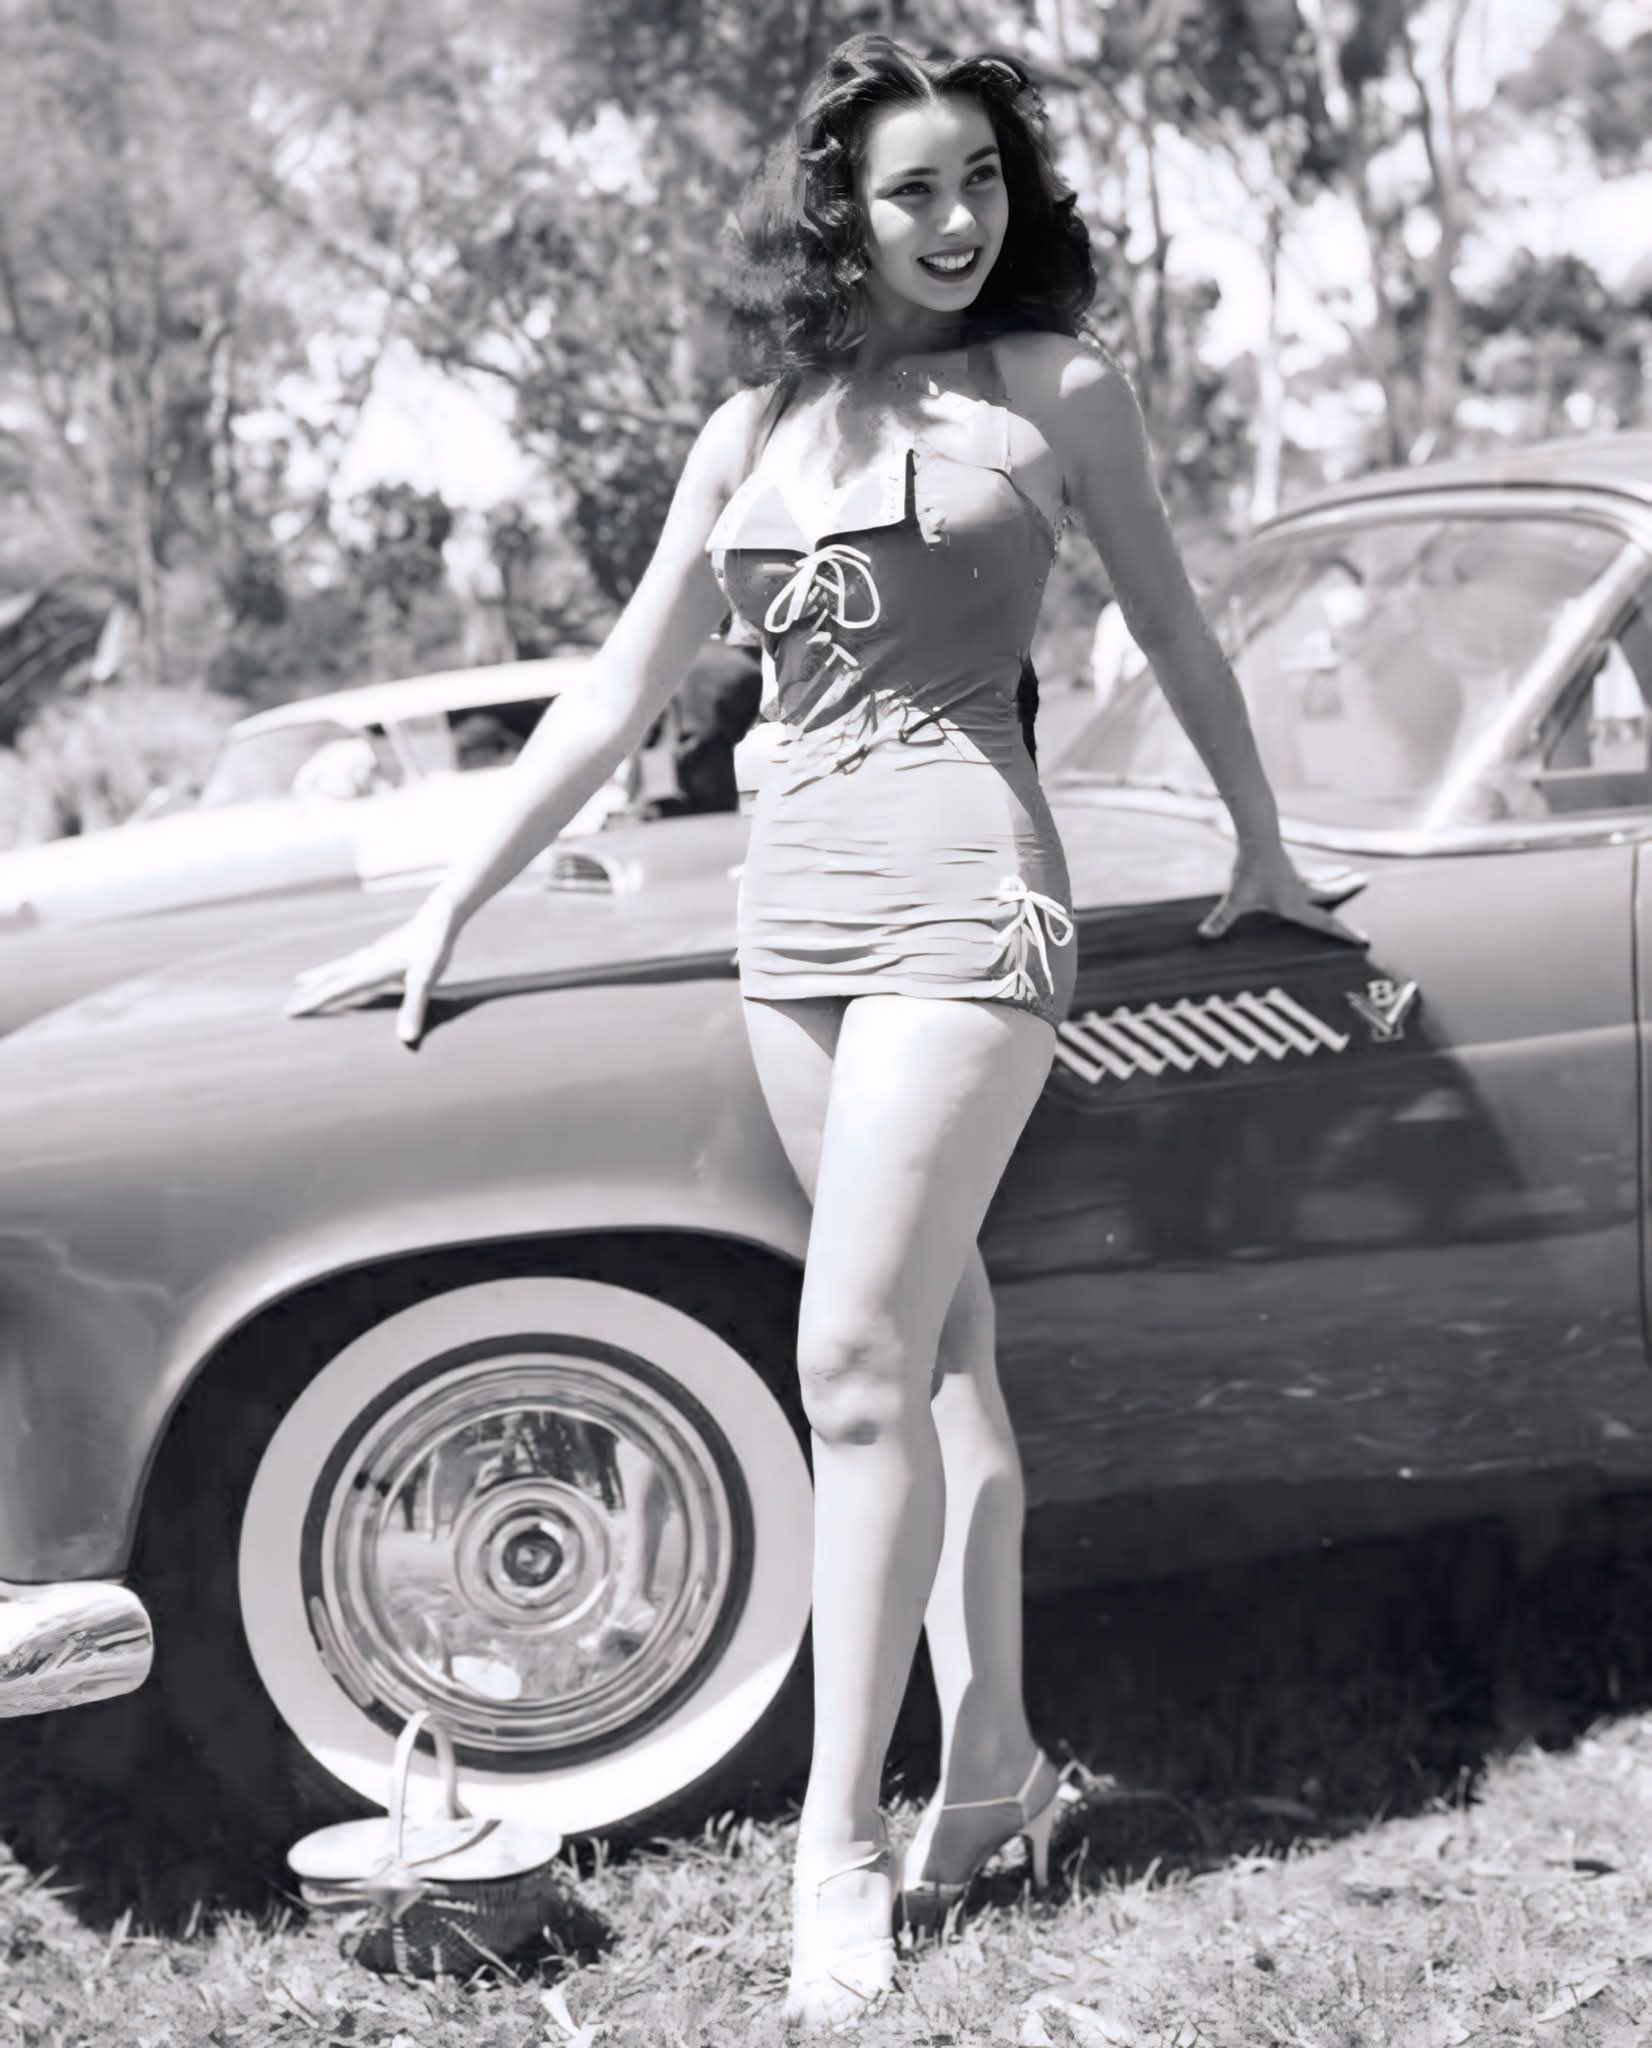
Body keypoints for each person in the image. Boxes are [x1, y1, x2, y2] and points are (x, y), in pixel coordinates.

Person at [288, 34, 1360, 2029]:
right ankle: (995, 1765)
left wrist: (1264, 843)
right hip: (789, 927)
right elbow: (616, 694)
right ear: (836, 216)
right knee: (938, 1364)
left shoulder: (1055, 388)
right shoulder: (751, 429)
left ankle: (835, 1848)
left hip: (967, 894)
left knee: (848, 1366)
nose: (956, 220)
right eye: (911, 190)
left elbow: (1172, 620)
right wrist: (446, 906)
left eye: (981, 181)